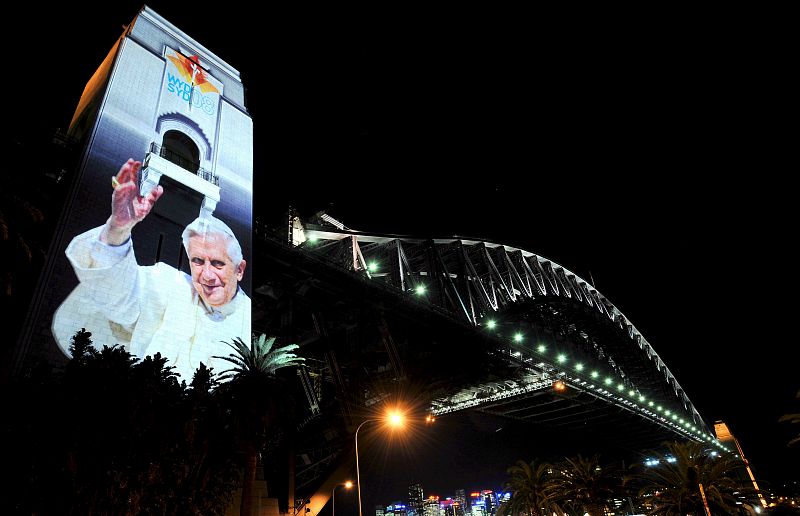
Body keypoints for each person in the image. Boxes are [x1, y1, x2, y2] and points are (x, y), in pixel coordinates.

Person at [52, 159, 250, 379]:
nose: (207, 275)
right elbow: (120, 301)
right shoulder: (169, 283)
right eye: (197, 261)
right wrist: (117, 230)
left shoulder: (249, 321)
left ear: (239, 270)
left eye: (217, 263)